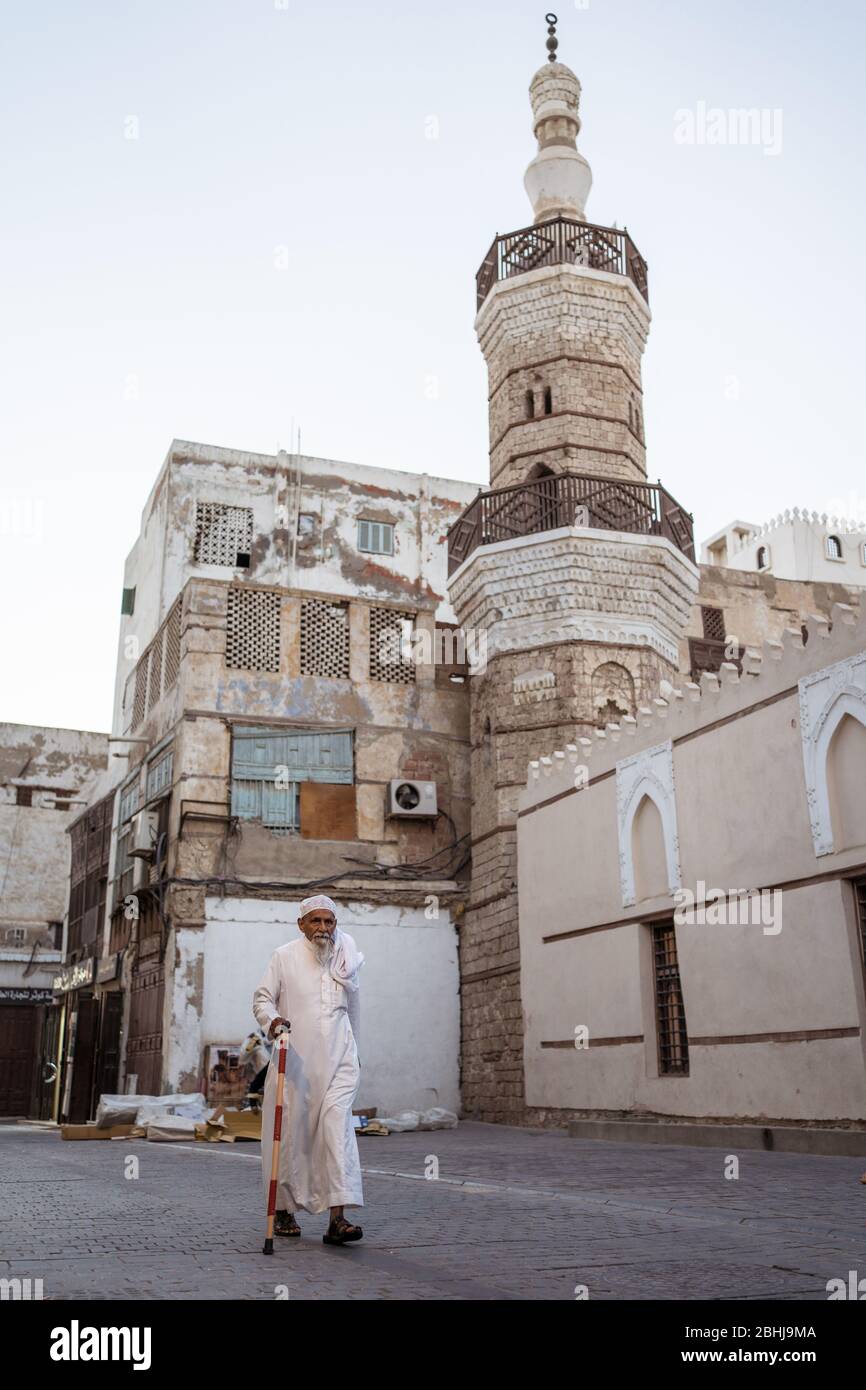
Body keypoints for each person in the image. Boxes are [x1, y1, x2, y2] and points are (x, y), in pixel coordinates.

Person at [252, 894, 365, 1245]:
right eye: (316, 921)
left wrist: (358, 1053)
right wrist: (272, 1022)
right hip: (296, 1064)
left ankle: (338, 1219)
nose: (323, 928)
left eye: (329, 922)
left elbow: (354, 1009)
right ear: (301, 924)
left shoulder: (346, 957)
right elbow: (262, 999)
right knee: (292, 1137)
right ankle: (284, 1210)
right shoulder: (284, 956)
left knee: (338, 1130)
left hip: (340, 1061)